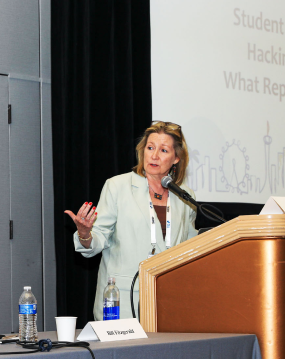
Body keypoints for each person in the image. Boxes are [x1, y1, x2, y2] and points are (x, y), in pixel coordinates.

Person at [65, 121, 198, 321]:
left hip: (169, 300)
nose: (154, 155)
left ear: (176, 158)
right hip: (123, 300)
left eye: (163, 150)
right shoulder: (118, 186)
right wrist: (85, 234)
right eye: (150, 147)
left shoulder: (185, 195)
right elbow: (98, 238)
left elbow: (189, 244)